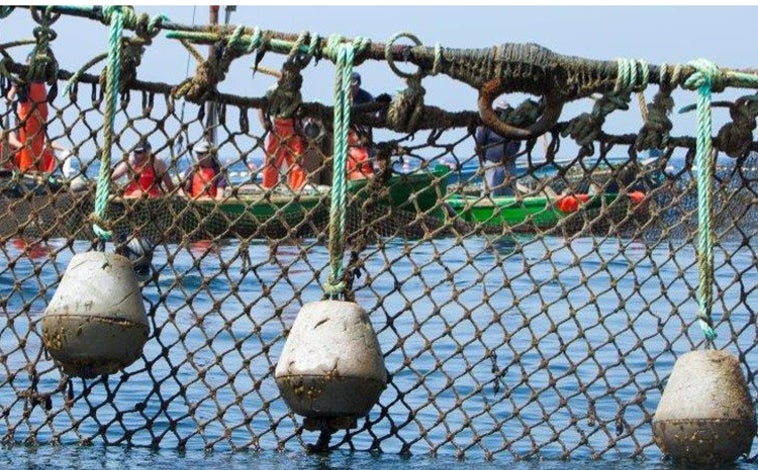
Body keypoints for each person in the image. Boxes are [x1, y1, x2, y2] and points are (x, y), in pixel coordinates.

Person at [259, 65, 307, 191]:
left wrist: (301, 132)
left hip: (292, 128)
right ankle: (268, 188)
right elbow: (260, 107)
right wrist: (265, 122)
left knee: (296, 161)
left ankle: (298, 189)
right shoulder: (273, 90)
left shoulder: (297, 93)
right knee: (273, 161)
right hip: (278, 127)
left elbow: (298, 113)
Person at [474, 99, 522, 197]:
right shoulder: (487, 126)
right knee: (491, 195)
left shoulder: (514, 127)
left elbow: (518, 144)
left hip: (510, 166)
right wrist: (484, 162)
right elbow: (478, 146)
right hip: (493, 166)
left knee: (510, 198)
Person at [347, 71, 374, 180]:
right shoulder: (344, 96)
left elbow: (373, 113)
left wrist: (362, 131)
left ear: (359, 85)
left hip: (362, 132)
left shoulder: (366, 97)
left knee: (366, 155)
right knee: (348, 158)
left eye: (355, 86)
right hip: (348, 131)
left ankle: (366, 176)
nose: (352, 89)